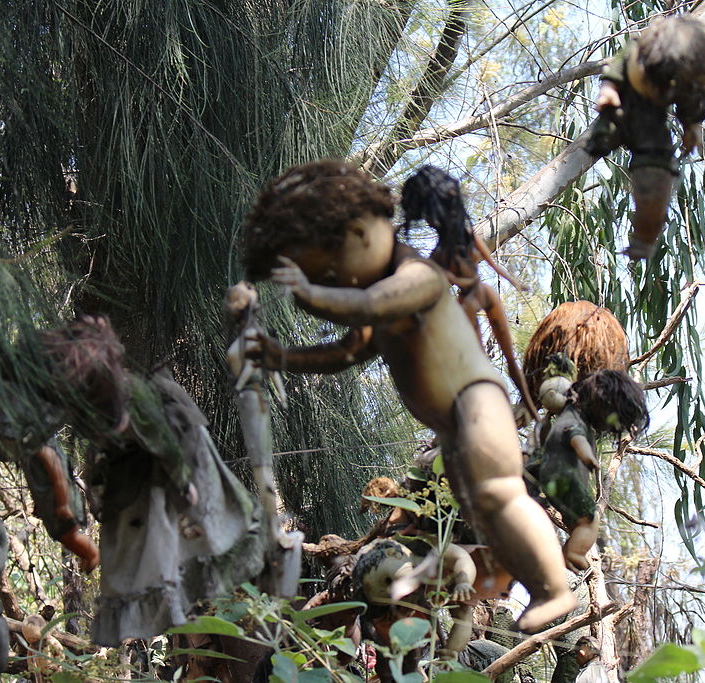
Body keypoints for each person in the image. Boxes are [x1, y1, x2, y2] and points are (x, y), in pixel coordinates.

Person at [243, 160, 576, 632]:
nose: (337, 286)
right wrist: (282, 356)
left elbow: (369, 305)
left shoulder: (417, 278)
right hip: (451, 423)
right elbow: (346, 351)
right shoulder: (376, 289)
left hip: (474, 403)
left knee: (501, 492)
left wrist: (313, 294)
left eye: (332, 274)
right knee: (482, 507)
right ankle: (512, 581)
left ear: (360, 233)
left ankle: (554, 588)